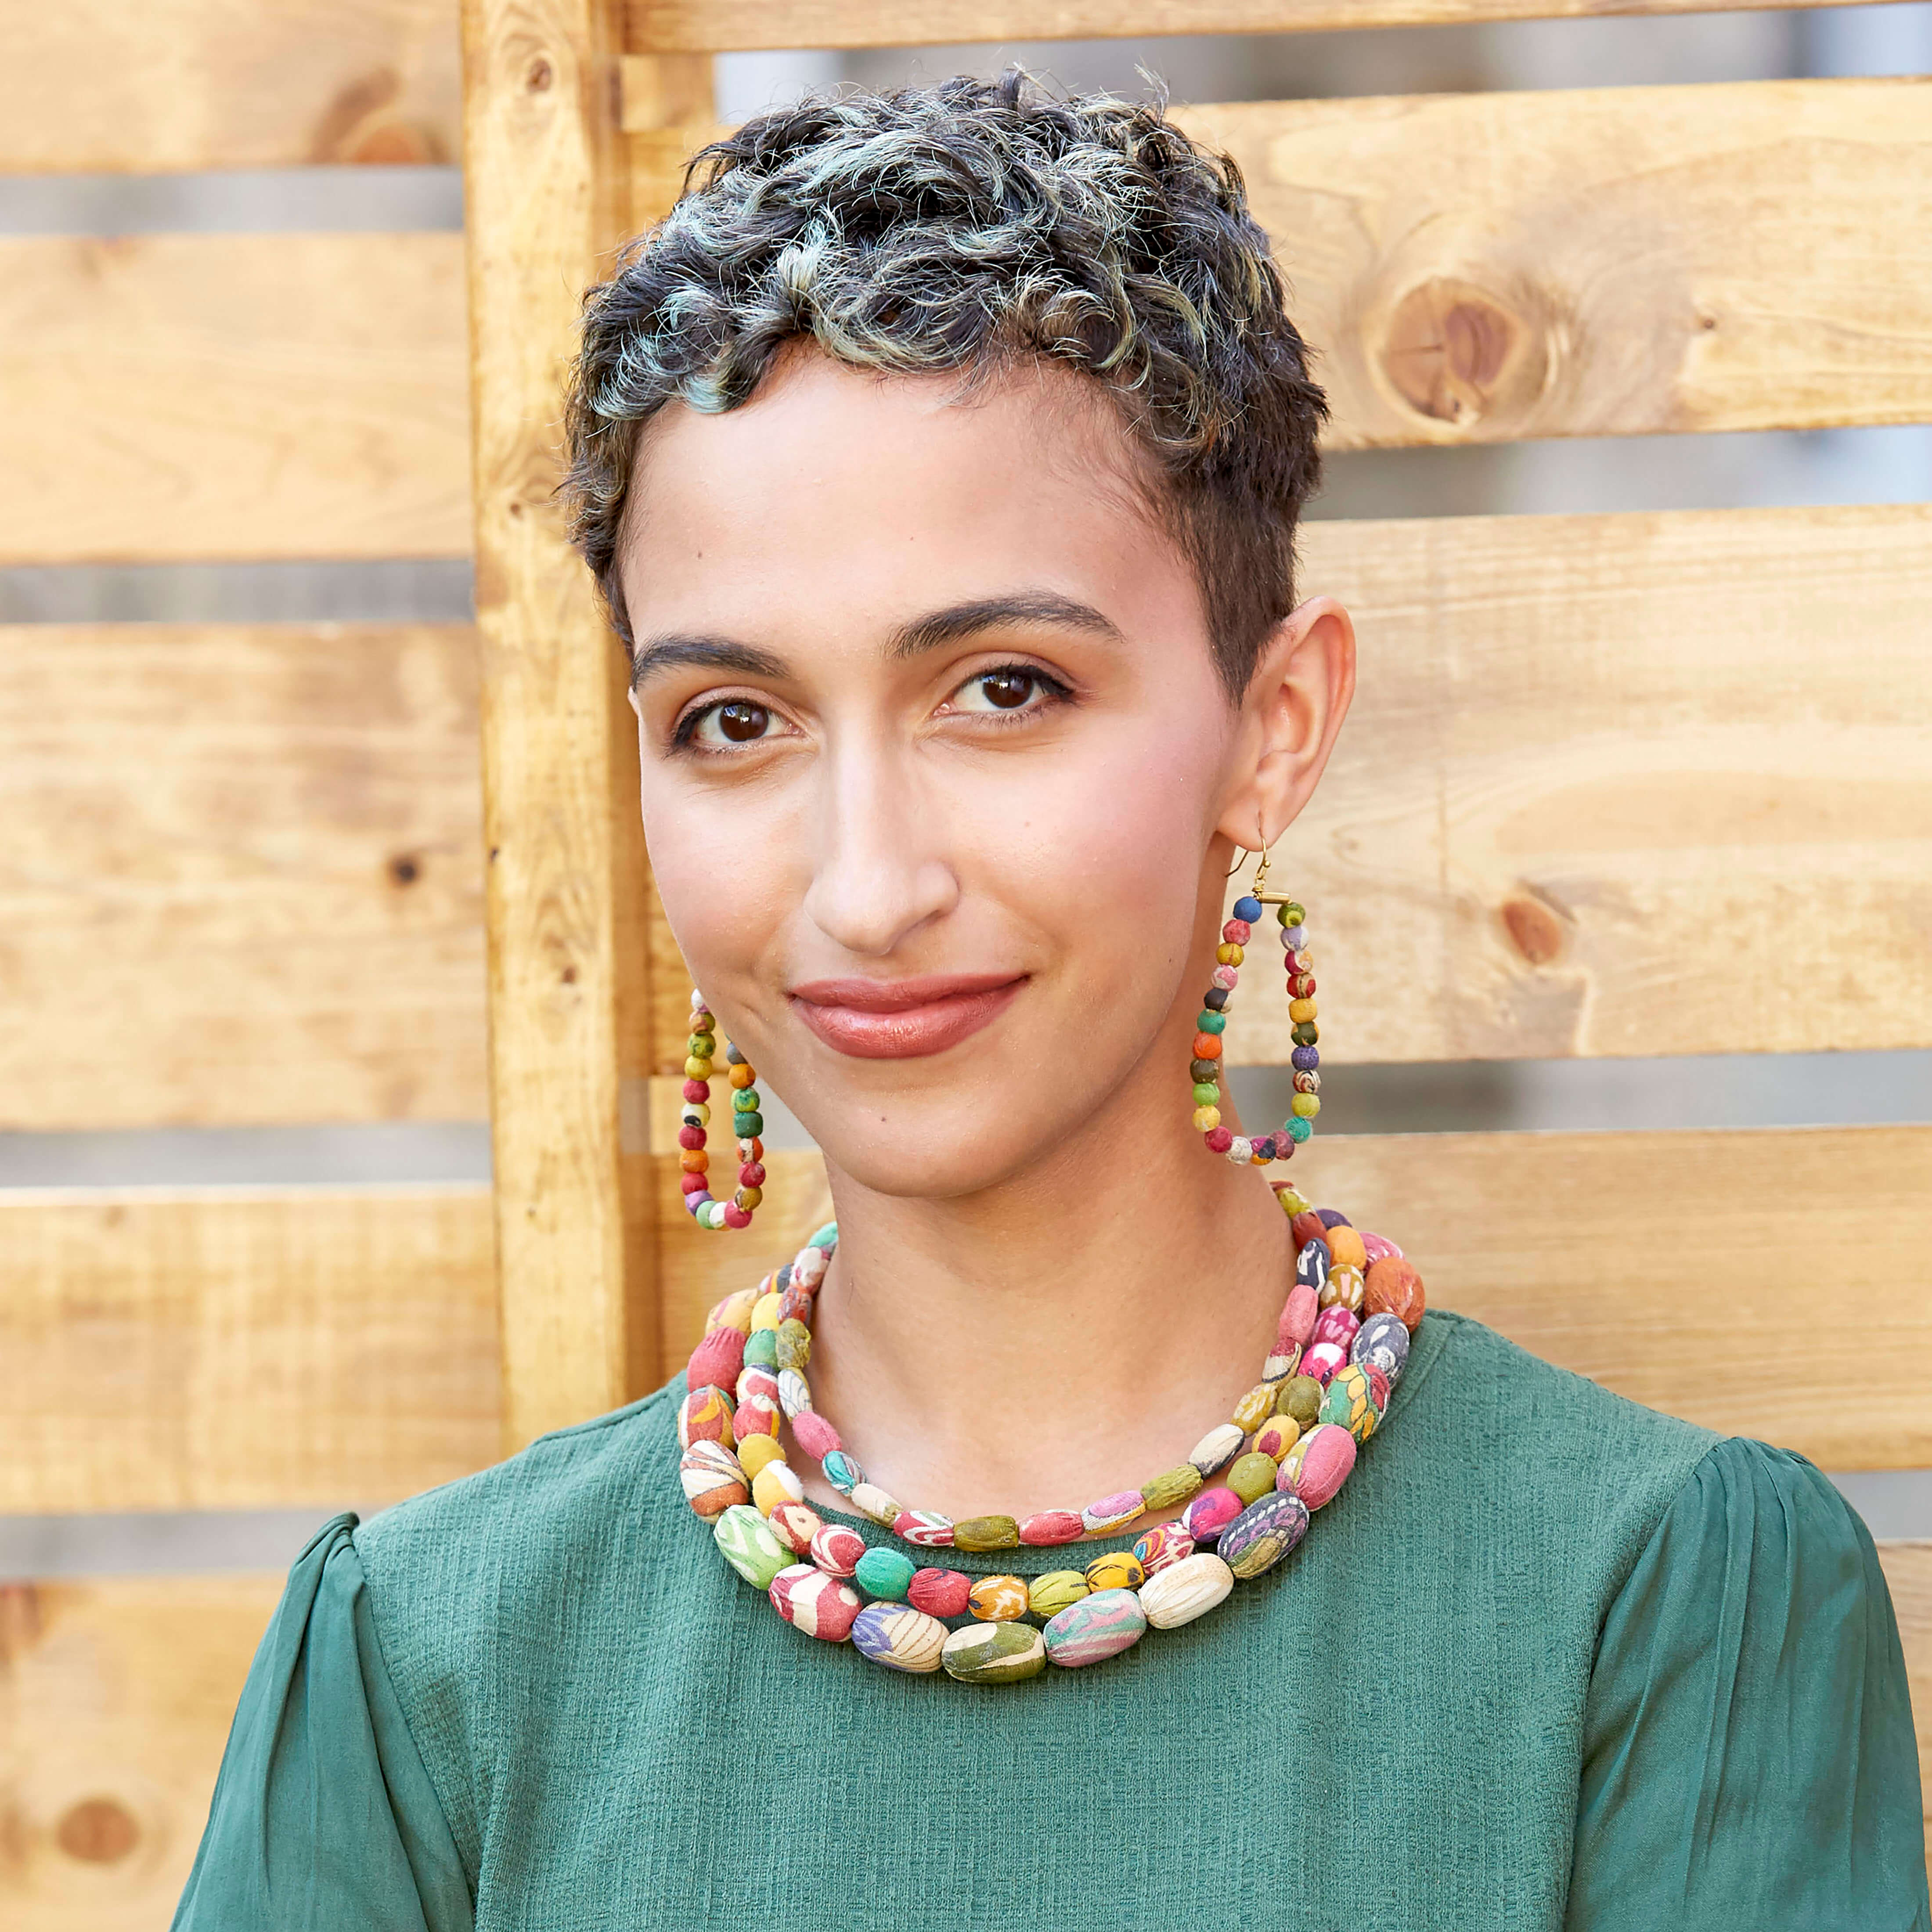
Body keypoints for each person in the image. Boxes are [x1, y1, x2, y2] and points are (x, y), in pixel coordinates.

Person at [172, 72, 1927, 1930]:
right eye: (734, 721)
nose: (865, 880)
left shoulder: (1650, 1611)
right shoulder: (423, 1671)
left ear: (1271, 728)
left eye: (1001, 688)